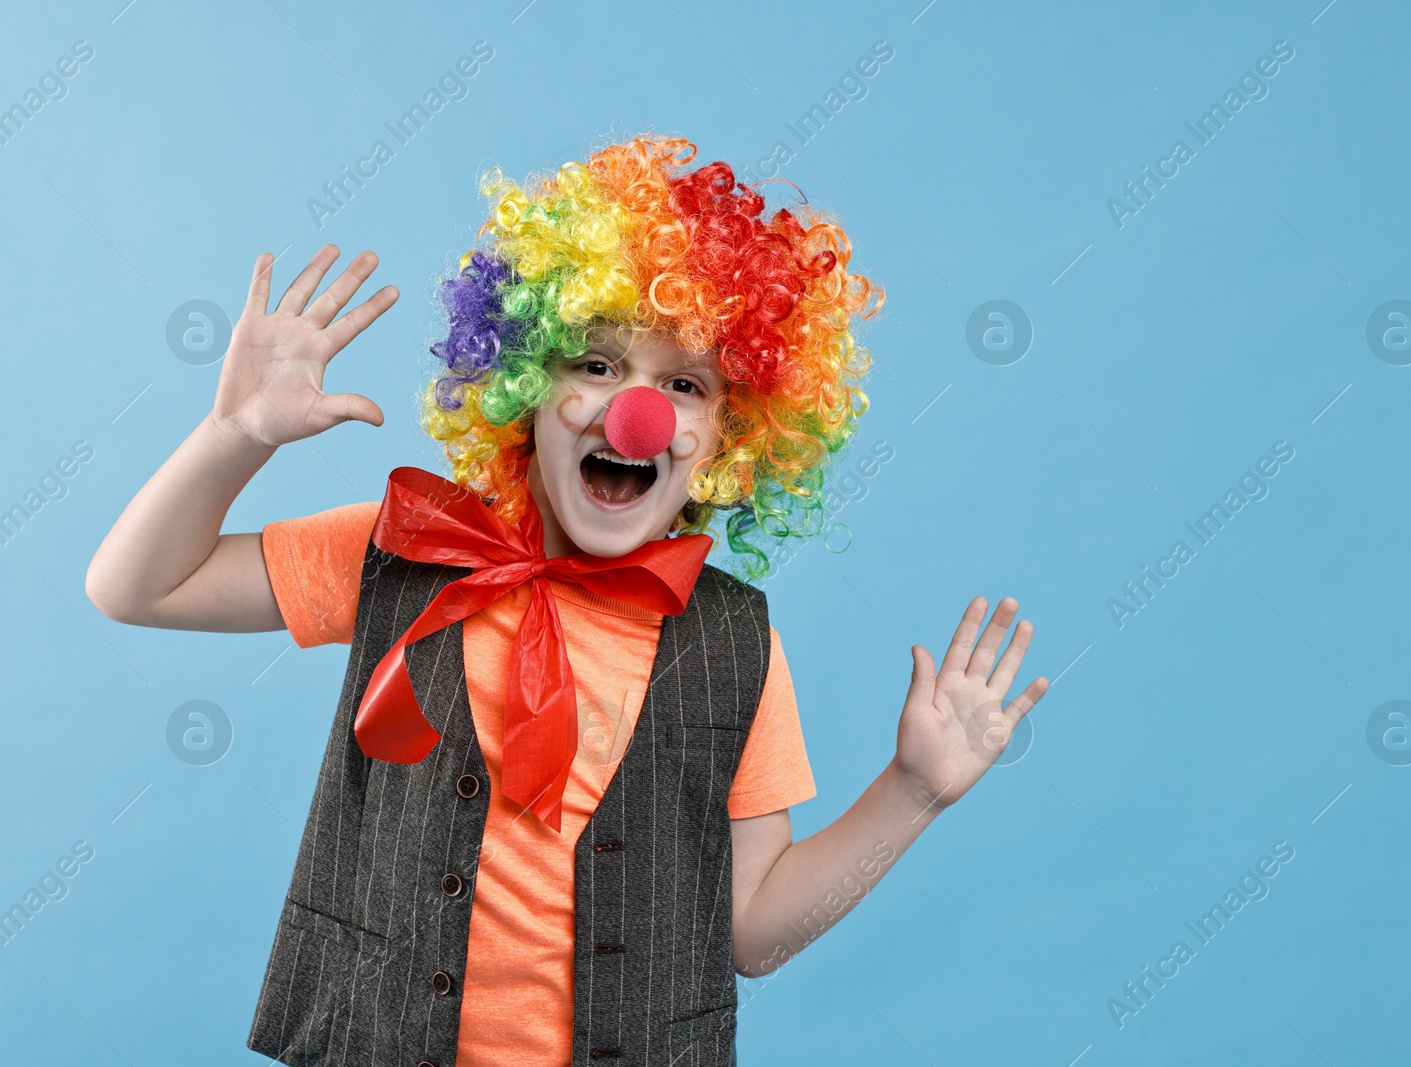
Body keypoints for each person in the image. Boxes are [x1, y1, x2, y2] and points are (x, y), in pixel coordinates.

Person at [85, 134, 1048, 1067]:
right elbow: (136, 585)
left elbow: (751, 933)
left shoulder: (733, 646)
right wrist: (235, 436)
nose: (637, 411)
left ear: (731, 437)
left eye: (684, 383)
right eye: (596, 364)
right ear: (523, 383)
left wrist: (912, 792)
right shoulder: (405, 547)